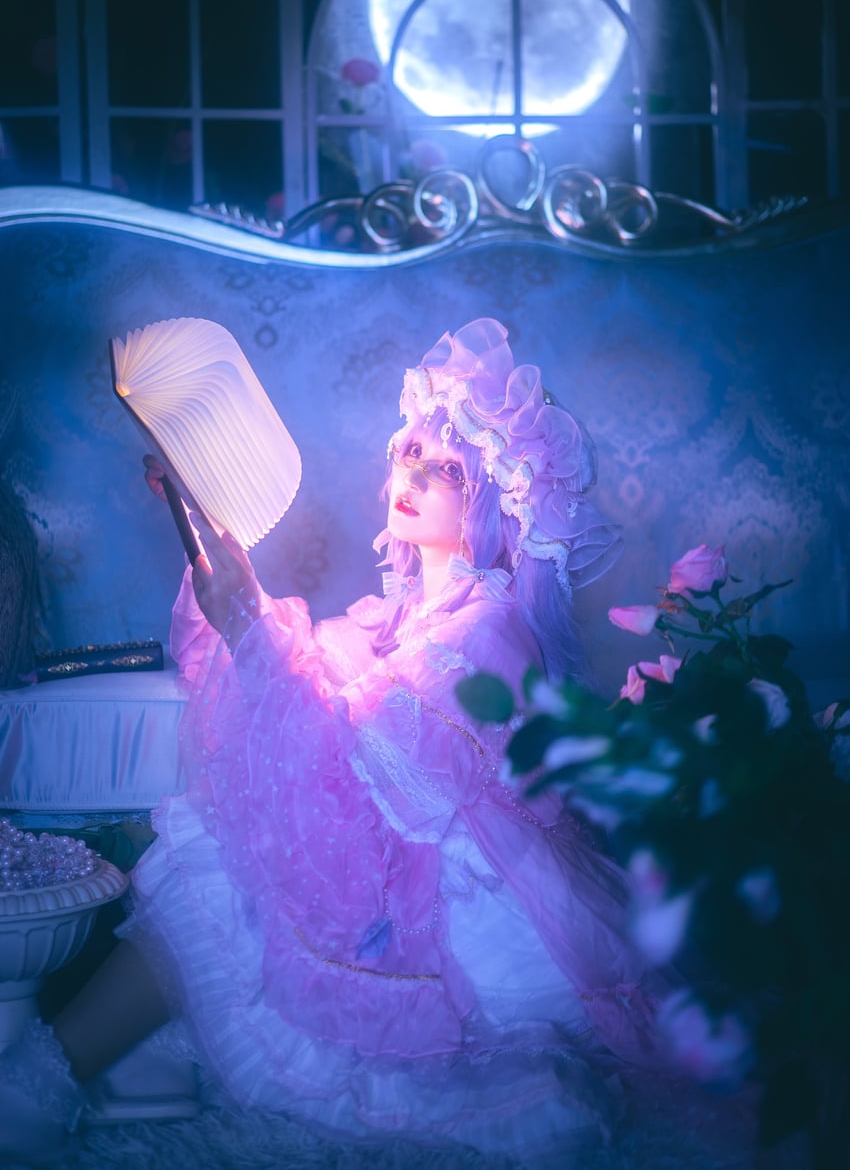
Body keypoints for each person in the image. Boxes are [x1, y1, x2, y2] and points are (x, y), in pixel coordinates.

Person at [0, 318, 667, 1166]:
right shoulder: (398, 614)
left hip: (453, 894)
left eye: (447, 468)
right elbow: (297, 709)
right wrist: (211, 550)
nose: (412, 475)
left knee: (220, 868)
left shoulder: (491, 621)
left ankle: (41, 1081)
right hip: (391, 852)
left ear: (493, 499)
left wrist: (249, 627)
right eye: (408, 452)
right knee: (229, 848)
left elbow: (364, 762)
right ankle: (80, 1067)